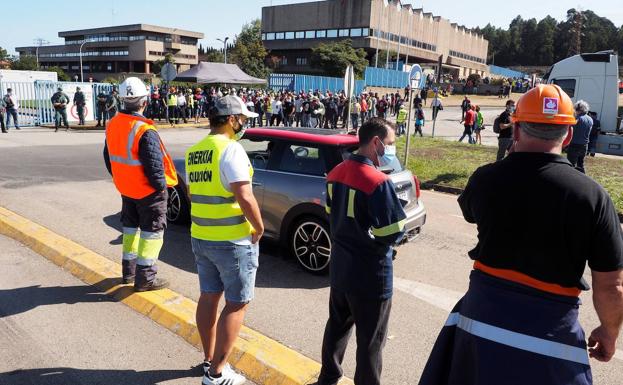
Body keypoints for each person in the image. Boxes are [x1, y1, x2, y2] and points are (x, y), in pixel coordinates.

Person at [418, 84, 623, 385]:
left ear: (515, 131)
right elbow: (611, 286)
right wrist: (609, 331)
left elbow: (470, 213)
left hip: (481, 320)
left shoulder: (485, 179)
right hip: (551, 334)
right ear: (567, 136)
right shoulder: (593, 197)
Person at [317, 117, 406, 385]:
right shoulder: (378, 181)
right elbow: (394, 231)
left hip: (341, 269)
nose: (390, 150)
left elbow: (332, 215)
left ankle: (328, 377)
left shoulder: (334, 173)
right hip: (371, 275)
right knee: (371, 342)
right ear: (376, 143)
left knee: (337, 326)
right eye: (389, 144)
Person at [187, 95, 263, 385]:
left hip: (201, 236)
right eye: (242, 119)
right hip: (232, 241)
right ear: (231, 120)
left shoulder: (197, 151)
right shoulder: (231, 150)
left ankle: (208, 359)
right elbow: (245, 195)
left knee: (209, 296)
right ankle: (217, 373)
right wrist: (258, 228)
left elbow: (194, 194)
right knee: (236, 304)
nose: (243, 124)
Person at [102, 77, 178, 291]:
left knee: (130, 230)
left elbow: (109, 158)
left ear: (123, 100)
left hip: (126, 189)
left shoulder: (113, 124)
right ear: (145, 101)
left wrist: (122, 178)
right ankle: (145, 279)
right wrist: (162, 188)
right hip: (148, 192)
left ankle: (129, 273)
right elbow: (154, 166)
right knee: (151, 233)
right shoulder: (144, 129)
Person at [567, 100, 593, 174]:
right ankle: (583, 178)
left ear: (579, 109)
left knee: (571, 164)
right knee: (580, 164)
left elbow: (571, 129)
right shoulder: (590, 119)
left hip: (574, 144)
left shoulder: (577, 118)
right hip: (584, 144)